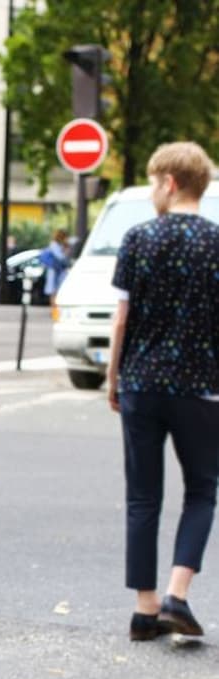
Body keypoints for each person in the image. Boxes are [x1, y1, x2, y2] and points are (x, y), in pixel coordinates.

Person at [106, 141, 219, 641]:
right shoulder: (216, 244)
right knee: (201, 490)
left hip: (141, 386)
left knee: (142, 496)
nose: (153, 190)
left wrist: (113, 378)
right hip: (200, 389)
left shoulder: (138, 238)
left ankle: (144, 609)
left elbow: (121, 321)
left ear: (169, 183)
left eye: (154, 182)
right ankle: (177, 593)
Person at [40, 228, 69, 306]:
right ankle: (54, 307)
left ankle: (56, 307)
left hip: (59, 269)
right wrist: (65, 252)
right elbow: (60, 257)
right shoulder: (54, 244)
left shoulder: (60, 245)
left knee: (57, 288)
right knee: (53, 289)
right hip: (54, 268)